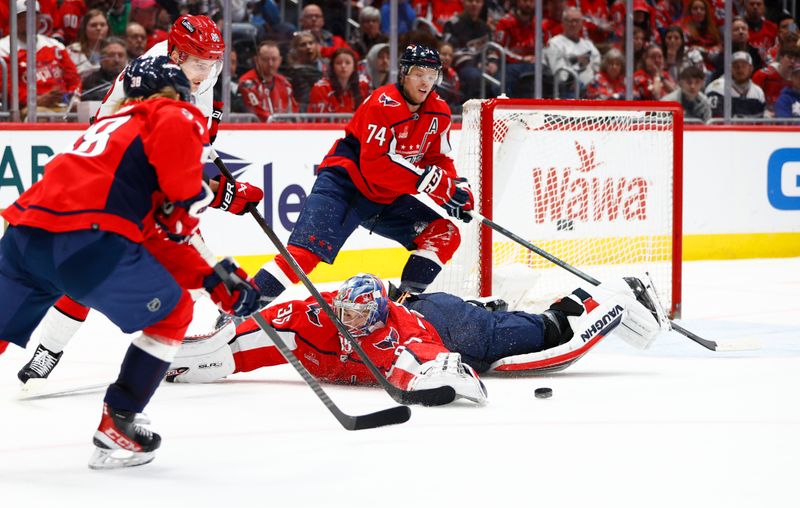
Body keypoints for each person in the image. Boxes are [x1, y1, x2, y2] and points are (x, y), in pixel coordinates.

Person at [0, 56, 260, 469]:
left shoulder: (111, 126)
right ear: (179, 91)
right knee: (174, 313)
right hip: (84, 242)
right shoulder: (173, 112)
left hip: (22, 237)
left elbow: (153, 231)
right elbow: (177, 211)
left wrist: (208, 276)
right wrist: (200, 238)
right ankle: (119, 419)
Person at [16, 14, 264, 387]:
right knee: (94, 264)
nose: (207, 70)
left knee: (180, 274)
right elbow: (156, 158)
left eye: (213, 62)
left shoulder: (202, 69)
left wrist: (212, 170)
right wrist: (222, 193)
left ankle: (171, 347)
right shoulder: (147, 76)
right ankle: (49, 348)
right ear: (177, 56)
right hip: (115, 173)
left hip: (152, 163)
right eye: (200, 62)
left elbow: (201, 136)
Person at [165, 273, 664, 404]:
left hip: (445, 320)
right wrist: (195, 352)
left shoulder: (405, 329)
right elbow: (255, 333)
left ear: (379, 314)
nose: (350, 322)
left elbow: (435, 366)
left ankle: (608, 296)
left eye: (362, 315)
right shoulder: (314, 314)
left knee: (520, 339)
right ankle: (488, 308)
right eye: (346, 311)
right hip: (417, 309)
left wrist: (448, 377)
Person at [248, 45, 473, 312]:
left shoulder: (440, 111)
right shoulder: (382, 103)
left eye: (431, 74)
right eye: (418, 73)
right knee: (301, 257)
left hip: (385, 197)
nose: (425, 81)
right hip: (344, 187)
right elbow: (375, 165)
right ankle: (238, 310)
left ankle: (400, 307)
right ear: (403, 73)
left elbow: (437, 159)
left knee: (444, 233)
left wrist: (455, 185)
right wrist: (432, 184)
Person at [0, 0, 81, 116]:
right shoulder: (4, 48)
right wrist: (35, 100)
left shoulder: (55, 45)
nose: (30, 21)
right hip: (28, 107)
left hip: (63, 104)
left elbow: (74, 79)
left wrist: (71, 99)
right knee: (41, 114)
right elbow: (7, 89)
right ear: (15, 21)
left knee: (86, 112)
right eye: (24, 17)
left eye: (34, 16)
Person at [443, 0, 498, 101]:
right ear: (463, 2)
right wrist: (477, 64)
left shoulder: (485, 27)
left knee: (503, 75)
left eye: (478, 1)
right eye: (470, 1)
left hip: (483, 67)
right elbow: (451, 52)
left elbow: (492, 50)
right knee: (474, 76)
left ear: (482, 3)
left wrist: (492, 63)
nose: (474, 4)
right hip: (463, 68)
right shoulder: (452, 24)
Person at [543, 7, 601, 96]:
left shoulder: (588, 45)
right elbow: (561, 75)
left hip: (591, 89)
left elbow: (598, 67)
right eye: (569, 21)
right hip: (567, 90)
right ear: (563, 22)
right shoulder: (554, 43)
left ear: (581, 23)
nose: (573, 24)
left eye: (577, 21)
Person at [239, 40, 298, 121]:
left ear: (280, 60)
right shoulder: (247, 82)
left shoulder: (285, 83)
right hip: (256, 131)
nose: (270, 64)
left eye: (274, 59)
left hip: (282, 130)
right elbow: (257, 112)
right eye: (265, 59)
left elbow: (293, 113)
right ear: (256, 60)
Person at [308, 47, 371, 116]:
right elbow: (320, 118)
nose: (343, 66)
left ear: (354, 67)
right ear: (332, 67)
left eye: (348, 63)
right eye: (338, 63)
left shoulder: (363, 84)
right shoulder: (320, 87)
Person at [705, 50, 766, 119]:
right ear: (730, 69)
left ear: (751, 68)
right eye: (736, 66)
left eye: (744, 66)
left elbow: (760, 120)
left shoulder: (758, 92)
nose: (740, 70)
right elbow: (715, 119)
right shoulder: (717, 87)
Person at [279, 30, 326, 111]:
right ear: (295, 50)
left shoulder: (325, 66)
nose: (308, 47)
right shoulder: (294, 72)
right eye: (303, 45)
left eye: (311, 43)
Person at [708, 17, 764, 81]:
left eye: (743, 29)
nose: (741, 32)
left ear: (748, 34)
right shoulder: (724, 54)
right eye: (736, 29)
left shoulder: (756, 53)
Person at [752, 44, 799, 115]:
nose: (792, 61)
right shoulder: (762, 75)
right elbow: (753, 97)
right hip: (763, 114)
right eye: (789, 57)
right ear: (781, 58)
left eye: (796, 59)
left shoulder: (797, 81)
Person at [80, 37, 129, 101]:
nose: (116, 60)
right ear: (102, 59)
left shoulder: (132, 79)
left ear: (126, 59)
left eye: (121, 55)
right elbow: (85, 98)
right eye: (111, 55)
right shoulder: (91, 80)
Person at [66, 8, 110, 79]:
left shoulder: (114, 50)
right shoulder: (72, 51)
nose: (98, 28)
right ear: (84, 28)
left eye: (102, 25)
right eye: (93, 25)